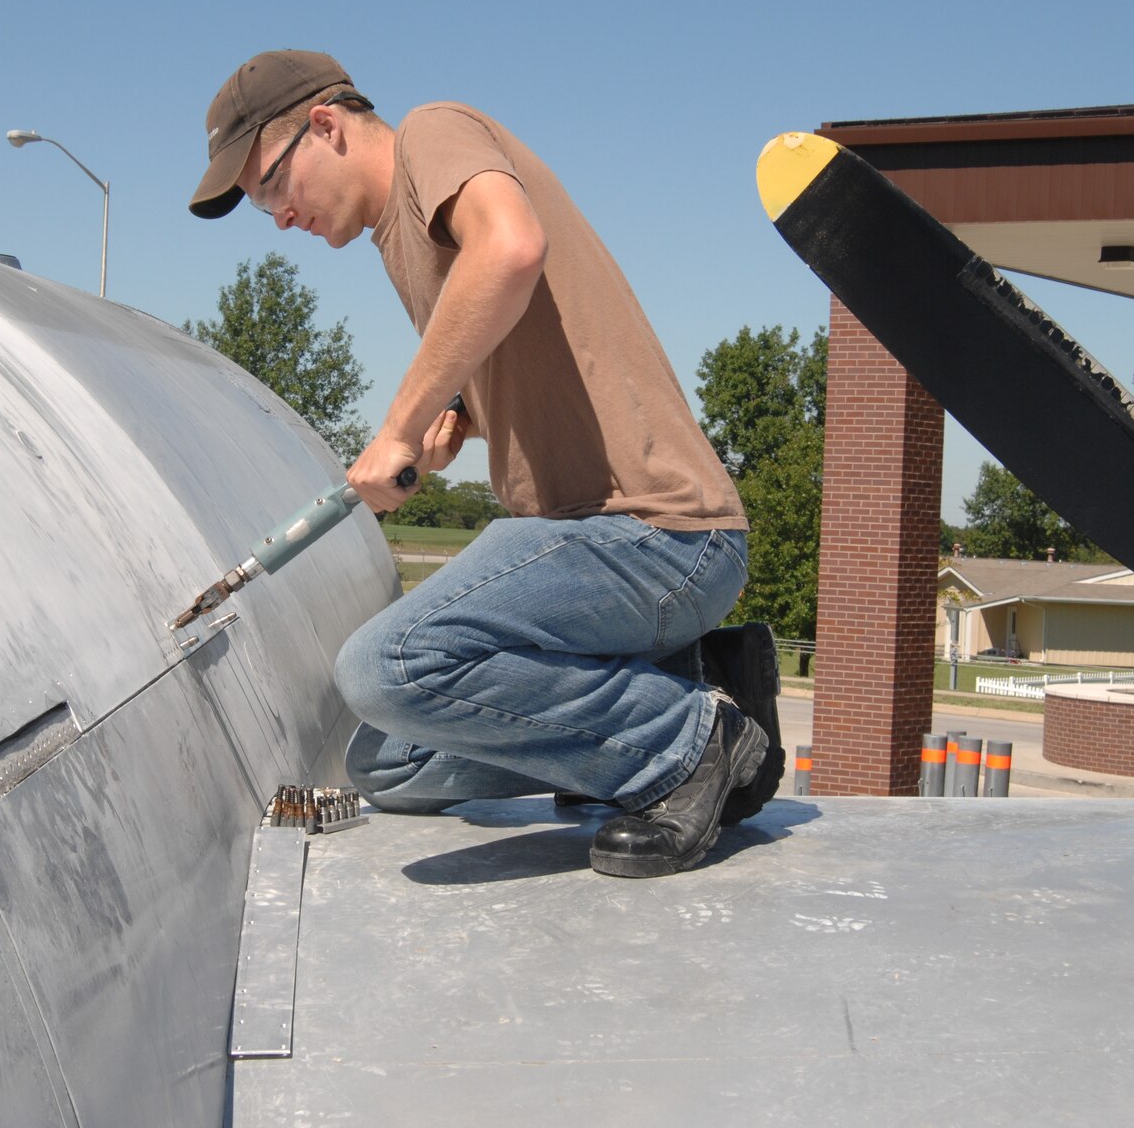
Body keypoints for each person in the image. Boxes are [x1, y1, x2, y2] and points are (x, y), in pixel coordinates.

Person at [189, 50, 769, 877]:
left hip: (659, 537)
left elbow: (511, 248)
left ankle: (688, 741)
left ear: (324, 126)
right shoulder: (400, 237)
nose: (276, 216)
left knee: (384, 668)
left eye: (272, 186)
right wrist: (458, 415)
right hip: (591, 555)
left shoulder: (434, 134)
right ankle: (683, 686)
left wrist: (399, 425)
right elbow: (511, 329)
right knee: (387, 762)